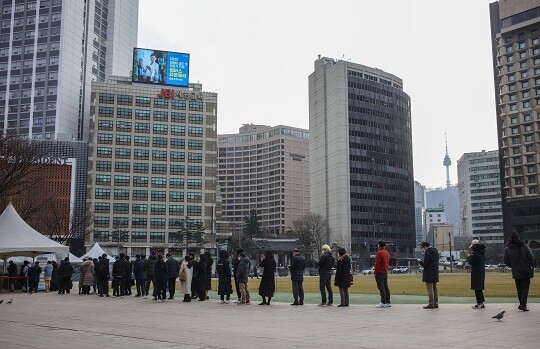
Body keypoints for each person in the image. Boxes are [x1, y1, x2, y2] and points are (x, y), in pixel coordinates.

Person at [504, 232, 534, 311]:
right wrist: (527, 263)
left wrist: (513, 265)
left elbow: (506, 261)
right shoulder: (524, 246)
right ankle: (523, 304)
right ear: (518, 238)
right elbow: (531, 258)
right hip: (525, 270)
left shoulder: (507, 249)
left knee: (519, 288)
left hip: (516, 271)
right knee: (525, 288)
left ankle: (521, 303)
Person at [466, 239, 487, 309]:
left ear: (474, 246)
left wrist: (469, 257)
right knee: (479, 288)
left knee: (477, 288)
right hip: (481, 271)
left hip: (476, 272)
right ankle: (481, 302)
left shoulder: (475, 253)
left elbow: (471, 262)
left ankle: (479, 303)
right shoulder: (483, 253)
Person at [419, 242, 439, 309]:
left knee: (429, 289)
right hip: (435, 272)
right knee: (435, 289)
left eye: (423, 248)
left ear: (425, 246)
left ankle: (431, 303)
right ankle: (436, 303)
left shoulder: (427, 253)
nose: (423, 249)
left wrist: (420, 262)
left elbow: (425, 264)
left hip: (428, 273)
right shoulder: (436, 252)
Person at [374, 240, 391, 308]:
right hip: (385, 272)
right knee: (386, 287)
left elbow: (377, 263)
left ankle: (383, 302)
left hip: (380, 272)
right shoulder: (387, 253)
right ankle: (388, 301)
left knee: (381, 287)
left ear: (379, 245)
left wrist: (375, 271)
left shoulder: (379, 253)